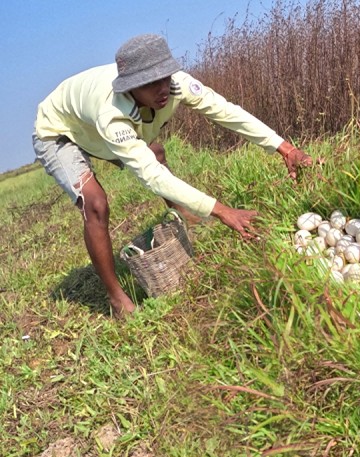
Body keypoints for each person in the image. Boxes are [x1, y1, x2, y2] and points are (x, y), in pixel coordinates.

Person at [32, 33, 313, 318]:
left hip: (93, 129)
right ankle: (116, 298)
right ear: (131, 86)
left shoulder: (177, 84)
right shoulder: (110, 112)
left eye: (164, 77)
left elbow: (225, 111)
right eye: (151, 83)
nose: (162, 88)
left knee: (156, 153)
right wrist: (221, 210)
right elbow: (151, 176)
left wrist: (285, 148)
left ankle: (185, 218)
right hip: (60, 132)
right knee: (95, 204)